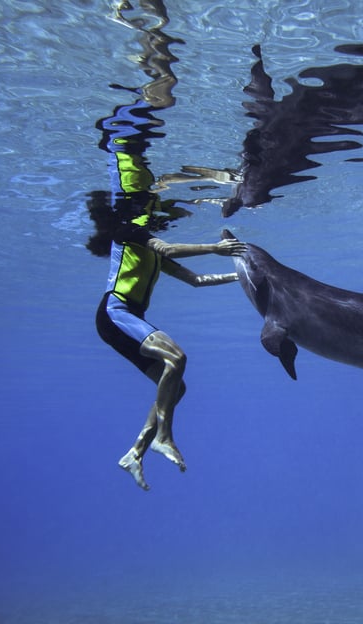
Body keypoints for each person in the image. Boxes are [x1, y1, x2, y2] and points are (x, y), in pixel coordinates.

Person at [95, 195, 246, 490]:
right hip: (115, 313)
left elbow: (196, 280)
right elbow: (165, 246)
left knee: (178, 386)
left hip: (127, 319)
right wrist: (214, 248)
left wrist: (239, 275)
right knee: (176, 358)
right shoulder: (127, 231)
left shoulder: (151, 252)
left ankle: (135, 454)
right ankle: (164, 437)